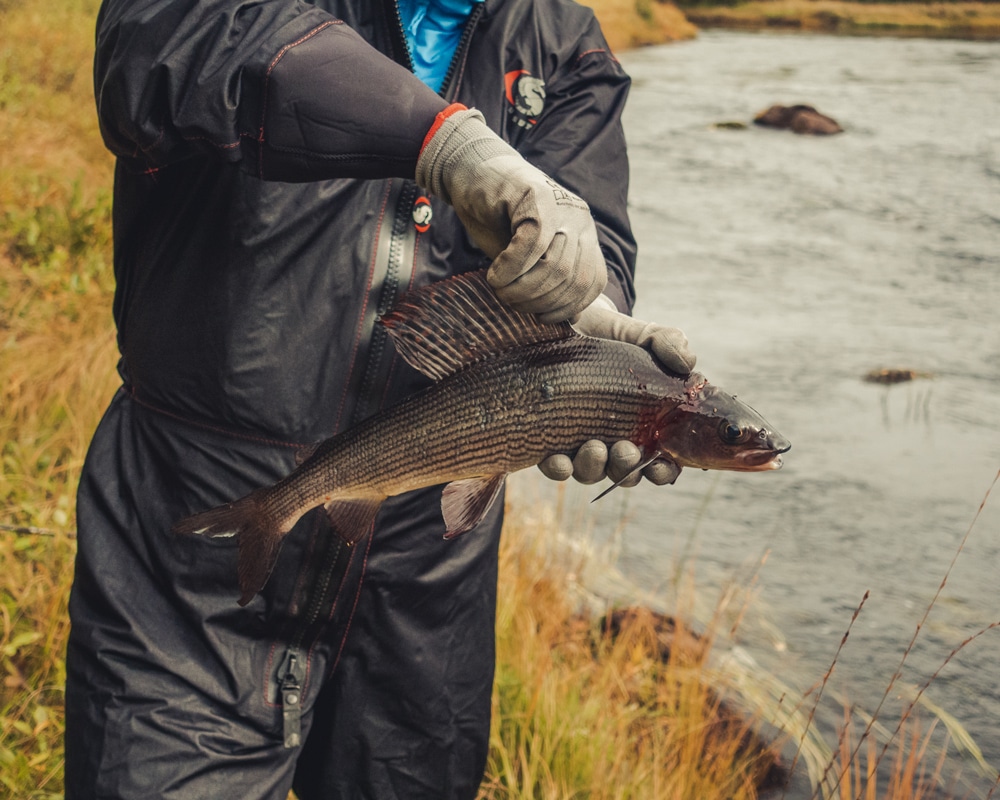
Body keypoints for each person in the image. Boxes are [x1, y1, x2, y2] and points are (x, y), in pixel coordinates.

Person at [66, 0, 696, 797]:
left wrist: (589, 332)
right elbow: (150, 52)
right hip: (187, 550)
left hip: (426, 582)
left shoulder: (565, 45)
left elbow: (594, 242)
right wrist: (442, 140)